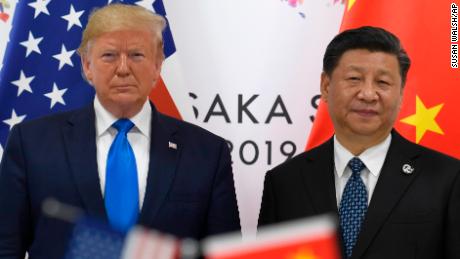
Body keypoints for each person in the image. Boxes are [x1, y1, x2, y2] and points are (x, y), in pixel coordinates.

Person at [0, 4, 240, 258]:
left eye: (137, 55)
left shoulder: (207, 154)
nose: (123, 68)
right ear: (87, 65)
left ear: (158, 65)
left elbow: (225, 254)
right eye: (109, 55)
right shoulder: (31, 144)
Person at [258, 26, 460, 259]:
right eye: (354, 79)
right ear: (325, 86)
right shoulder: (284, 183)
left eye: (383, 82)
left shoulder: (448, 179)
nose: (368, 94)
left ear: (402, 93)